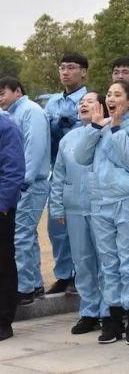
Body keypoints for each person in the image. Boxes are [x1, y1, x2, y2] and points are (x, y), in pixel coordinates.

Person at [74, 80, 129, 345]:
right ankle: (112, 318)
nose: (111, 98)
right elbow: (81, 157)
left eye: (118, 94)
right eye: (108, 94)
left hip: (128, 200)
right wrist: (95, 127)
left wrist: (116, 128)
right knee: (108, 263)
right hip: (100, 201)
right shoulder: (100, 126)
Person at [49, 92, 109, 335]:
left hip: (103, 206)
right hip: (74, 207)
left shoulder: (109, 132)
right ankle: (89, 311)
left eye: (90, 102)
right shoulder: (68, 138)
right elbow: (59, 176)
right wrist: (56, 206)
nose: (83, 105)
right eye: (81, 103)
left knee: (106, 260)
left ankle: (110, 310)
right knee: (82, 261)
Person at [0, 77, 50, 306]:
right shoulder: (14, 113)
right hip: (21, 184)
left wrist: (22, 182)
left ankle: (25, 289)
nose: (0, 99)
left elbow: (34, 149)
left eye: (2, 93)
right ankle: (34, 283)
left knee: (21, 235)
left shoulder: (31, 111)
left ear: (17, 91)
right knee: (26, 235)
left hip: (29, 183)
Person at [44, 53, 90, 294]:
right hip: (57, 169)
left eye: (71, 68)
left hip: (82, 170)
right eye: (62, 67)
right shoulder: (52, 103)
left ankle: (80, 275)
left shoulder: (90, 99)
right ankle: (63, 274)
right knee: (56, 227)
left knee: (79, 228)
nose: (65, 72)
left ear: (83, 72)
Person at [0, 114, 25, 341]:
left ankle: (4, 321)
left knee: (2, 263)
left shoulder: (6, 128)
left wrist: (3, 205)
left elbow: (14, 170)